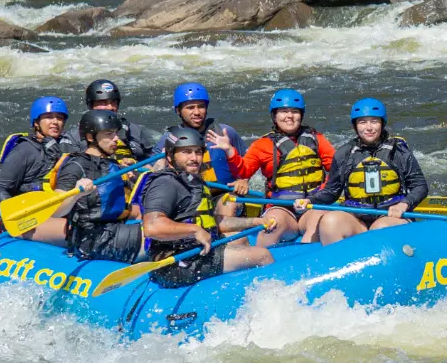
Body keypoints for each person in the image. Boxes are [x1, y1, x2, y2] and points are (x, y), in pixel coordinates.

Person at [138, 129, 273, 284]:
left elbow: (212, 222)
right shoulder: (165, 183)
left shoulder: (193, 181)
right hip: (176, 264)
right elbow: (152, 227)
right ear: (169, 156)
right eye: (186, 152)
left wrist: (256, 222)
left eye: (198, 152)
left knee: (240, 239)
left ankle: (237, 286)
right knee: (263, 255)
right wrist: (194, 230)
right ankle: (270, 300)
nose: (194, 158)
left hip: (194, 250)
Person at [297, 98, 429, 247]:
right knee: (329, 221)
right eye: (363, 122)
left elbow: (420, 186)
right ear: (355, 125)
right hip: (357, 218)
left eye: (374, 121)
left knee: (379, 228)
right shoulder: (344, 153)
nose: (369, 127)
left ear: (382, 123)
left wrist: (404, 204)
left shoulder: (398, 151)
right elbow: (332, 191)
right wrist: (311, 200)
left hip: (391, 216)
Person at [231, 89, 337, 246]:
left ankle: (310, 260)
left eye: (294, 111)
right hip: (282, 208)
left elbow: (337, 171)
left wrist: (323, 191)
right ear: (274, 116)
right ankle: (260, 259)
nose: (289, 116)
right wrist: (230, 153)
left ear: (301, 115)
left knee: (317, 220)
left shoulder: (317, 140)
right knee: (272, 223)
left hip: (312, 205)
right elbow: (243, 170)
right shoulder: (263, 145)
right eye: (283, 111)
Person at [46, 109, 147, 262]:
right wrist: (75, 195)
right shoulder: (76, 165)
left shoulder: (113, 164)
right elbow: (56, 210)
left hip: (115, 231)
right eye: (108, 134)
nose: (116, 140)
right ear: (90, 137)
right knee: (162, 237)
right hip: (92, 240)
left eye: (116, 133)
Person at [0, 96, 80, 243]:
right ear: (36, 122)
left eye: (59, 118)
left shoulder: (68, 148)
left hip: (57, 212)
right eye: (48, 117)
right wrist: (18, 215)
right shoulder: (25, 150)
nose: (55, 122)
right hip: (28, 219)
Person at [83, 79, 156, 162]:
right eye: (103, 102)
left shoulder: (134, 130)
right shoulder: (77, 135)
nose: (110, 107)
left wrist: (134, 164)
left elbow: (151, 162)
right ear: (91, 105)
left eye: (113, 102)